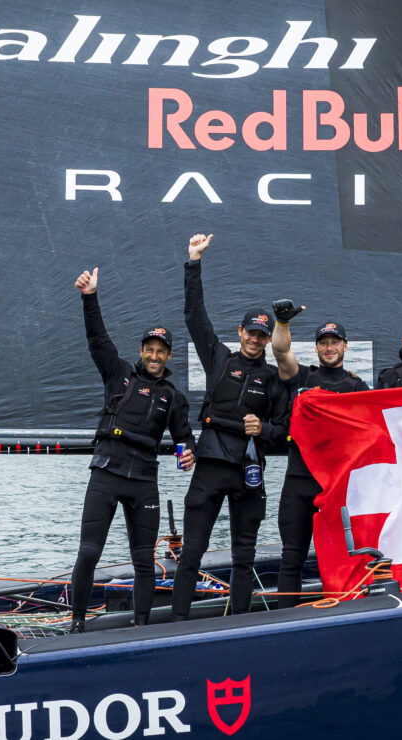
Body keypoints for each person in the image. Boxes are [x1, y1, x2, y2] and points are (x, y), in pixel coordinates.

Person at [70, 267, 196, 633]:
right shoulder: (118, 374)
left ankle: (141, 630)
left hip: (143, 481)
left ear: (168, 356)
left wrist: (188, 452)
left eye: (161, 352)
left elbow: (184, 437)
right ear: (141, 351)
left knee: (144, 560)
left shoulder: (173, 396)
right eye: (149, 350)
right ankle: (76, 625)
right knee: (89, 553)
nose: (154, 356)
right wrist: (89, 297)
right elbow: (97, 338)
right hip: (107, 472)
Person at [171, 234, 289, 620]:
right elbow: (194, 316)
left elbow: (285, 431)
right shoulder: (219, 358)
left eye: (262, 335)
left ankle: (239, 624)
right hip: (210, 467)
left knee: (244, 556)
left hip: (249, 475)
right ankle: (176, 624)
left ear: (269, 339)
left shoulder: (273, 378)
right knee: (191, 552)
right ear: (240, 333)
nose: (255, 340)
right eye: (250, 333)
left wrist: (264, 430)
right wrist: (193, 263)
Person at [270, 301, 370, 608]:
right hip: (299, 482)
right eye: (323, 343)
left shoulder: (357, 387)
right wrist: (282, 323)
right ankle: (283, 625)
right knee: (292, 558)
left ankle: (345, 616)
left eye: (334, 342)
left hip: (338, 487)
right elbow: (280, 352)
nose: (329, 347)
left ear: (345, 346)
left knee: (343, 558)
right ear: (316, 348)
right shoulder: (303, 378)